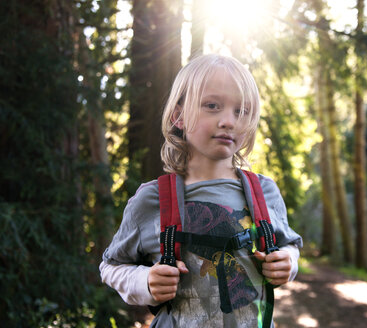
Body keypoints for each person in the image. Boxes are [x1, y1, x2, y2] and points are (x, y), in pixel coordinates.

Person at [100, 54, 303, 328]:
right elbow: (111, 267)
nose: (229, 121)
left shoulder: (263, 192)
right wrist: (144, 281)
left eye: (241, 111)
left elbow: (289, 245)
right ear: (179, 116)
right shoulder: (153, 199)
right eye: (212, 105)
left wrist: (288, 262)